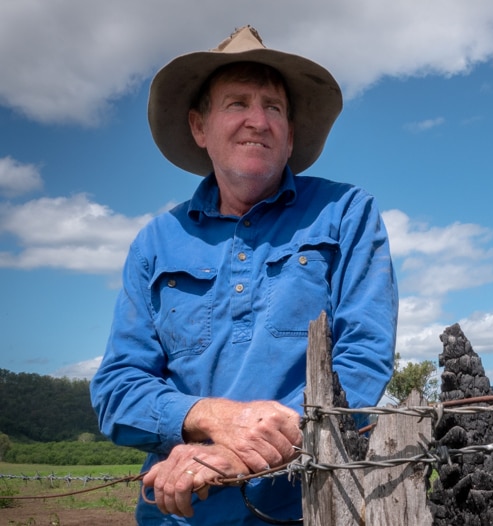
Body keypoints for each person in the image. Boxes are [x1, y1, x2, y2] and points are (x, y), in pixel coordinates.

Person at [90, 25, 398, 525]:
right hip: (178, 511)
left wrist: (246, 450)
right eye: (237, 103)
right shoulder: (156, 241)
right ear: (198, 127)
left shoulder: (346, 213)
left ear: (290, 132)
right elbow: (118, 387)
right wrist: (213, 420)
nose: (258, 120)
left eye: (273, 107)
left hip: (308, 508)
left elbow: (362, 359)